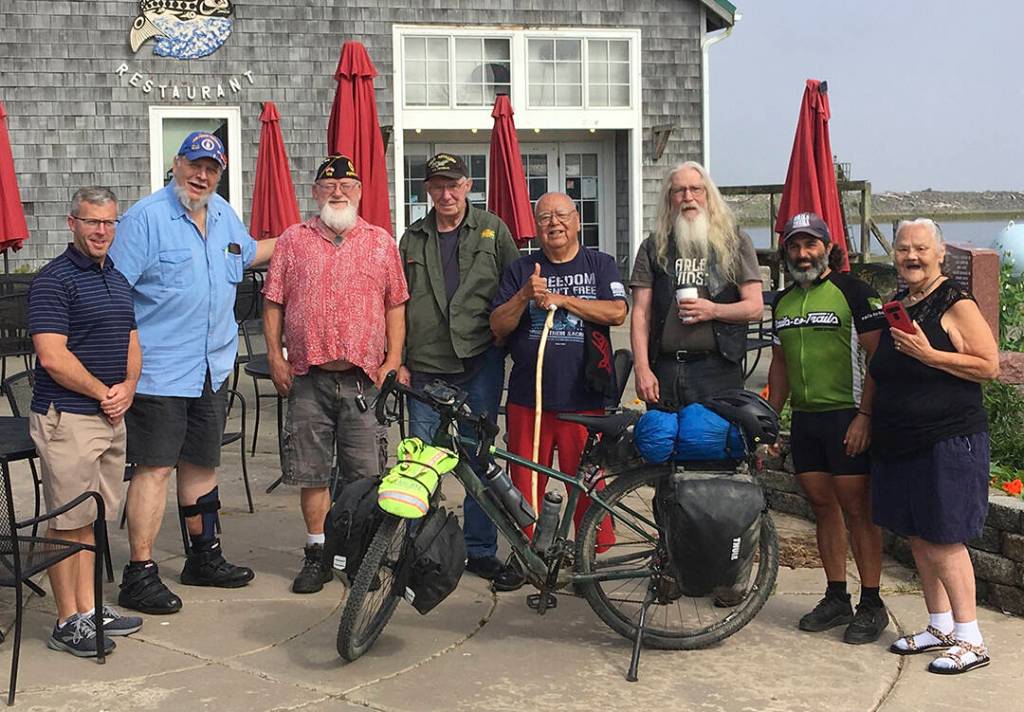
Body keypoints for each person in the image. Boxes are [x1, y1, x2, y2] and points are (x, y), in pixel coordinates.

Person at [109, 132, 276, 614]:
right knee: (155, 468)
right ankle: (139, 573)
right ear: (176, 163)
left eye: (212, 168)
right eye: (194, 165)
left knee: (202, 464)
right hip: (159, 369)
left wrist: (304, 234)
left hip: (212, 365)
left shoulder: (223, 214)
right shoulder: (145, 219)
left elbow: (247, 253)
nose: (202, 176)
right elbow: (116, 293)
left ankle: (203, 556)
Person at [263, 155, 408, 594]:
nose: (338, 192)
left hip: (364, 379)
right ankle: (317, 553)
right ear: (316, 192)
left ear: (360, 192)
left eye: (347, 184)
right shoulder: (292, 241)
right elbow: (273, 302)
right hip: (309, 376)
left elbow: (395, 304)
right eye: (329, 186)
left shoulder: (381, 243)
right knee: (311, 472)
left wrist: (393, 360)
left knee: (364, 475)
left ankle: (360, 553)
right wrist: (274, 355)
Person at [869, 218, 998, 674]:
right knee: (919, 537)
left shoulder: (954, 301)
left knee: (945, 538)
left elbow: (988, 365)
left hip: (948, 437)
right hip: (902, 439)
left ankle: (971, 638)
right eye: (903, 249)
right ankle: (939, 626)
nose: (911, 257)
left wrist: (931, 356)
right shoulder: (899, 303)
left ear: (940, 253)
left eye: (921, 249)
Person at [27, 187, 144, 657]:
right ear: (71, 223)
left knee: (92, 517)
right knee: (67, 519)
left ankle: (90, 608)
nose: (102, 231)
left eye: (110, 223)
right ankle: (66, 620)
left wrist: (128, 388)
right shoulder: (54, 280)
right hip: (69, 417)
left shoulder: (115, 276)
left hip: (110, 414)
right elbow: (52, 357)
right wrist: (102, 392)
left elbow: (132, 340)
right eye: (92, 222)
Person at [490, 193, 627, 587]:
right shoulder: (521, 270)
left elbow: (617, 312)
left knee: (585, 483)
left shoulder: (599, 265)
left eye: (562, 215)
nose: (554, 223)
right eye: (545, 217)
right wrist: (524, 296)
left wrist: (565, 299)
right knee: (524, 483)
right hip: (528, 401)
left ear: (577, 221)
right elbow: (498, 326)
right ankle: (526, 555)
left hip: (584, 399)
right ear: (536, 227)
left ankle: (589, 561)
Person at [398, 152, 521, 585]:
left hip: (479, 361)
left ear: (467, 185)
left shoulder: (493, 230)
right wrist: (398, 360)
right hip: (426, 367)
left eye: (453, 185)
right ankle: (418, 548)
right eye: (437, 186)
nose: (446, 194)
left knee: (477, 456)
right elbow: (396, 303)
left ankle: (479, 548)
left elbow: (514, 288)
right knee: (419, 464)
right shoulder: (411, 238)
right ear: (427, 190)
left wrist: (508, 342)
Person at [768, 212, 889, 644]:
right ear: (786, 252)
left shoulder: (854, 291)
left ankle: (872, 602)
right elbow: (779, 364)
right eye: (795, 247)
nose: (803, 254)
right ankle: (837, 595)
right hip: (805, 419)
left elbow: (879, 358)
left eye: (810, 245)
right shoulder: (781, 302)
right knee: (822, 507)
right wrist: (770, 418)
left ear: (827, 248)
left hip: (848, 415)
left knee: (858, 509)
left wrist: (866, 416)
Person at [629, 161, 763, 410]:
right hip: (664, 370)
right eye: (679, 191)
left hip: (718, 369)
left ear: (708, 195)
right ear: (670, 199)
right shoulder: (653, 246)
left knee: (715, 443)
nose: (688, 197)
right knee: (663, 444)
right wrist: (642, 368)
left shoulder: (735, 242)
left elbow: (755, 308)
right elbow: (640, 314)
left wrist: (713, 311)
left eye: (696, 189)